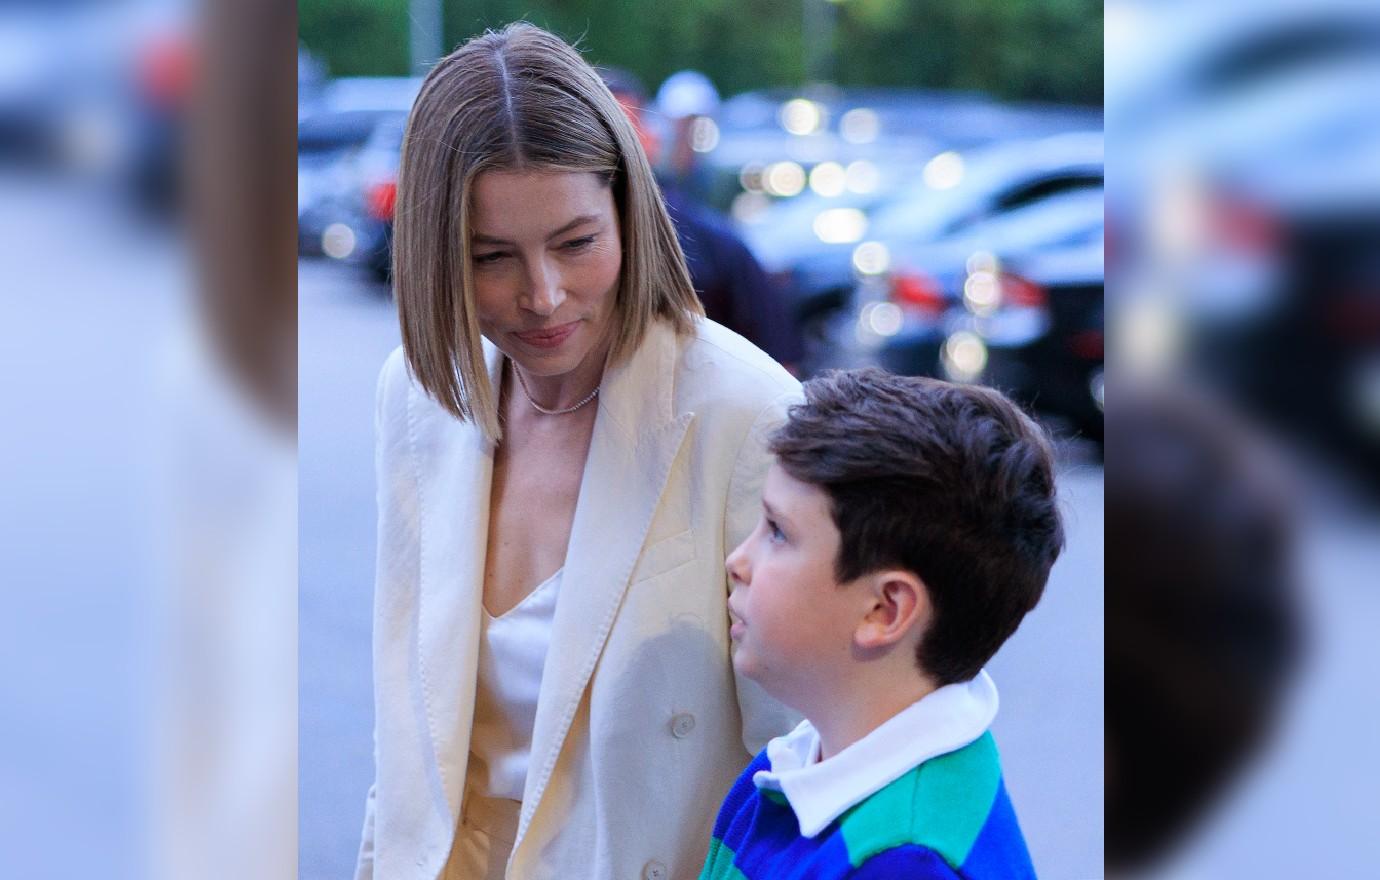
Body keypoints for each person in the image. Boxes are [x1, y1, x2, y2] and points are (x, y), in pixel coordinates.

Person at [354, 22, 800, 880]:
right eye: (491, 257)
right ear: (433, 254)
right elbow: (407, 743)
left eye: (576, 242)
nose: (543, 294)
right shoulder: (417, 395)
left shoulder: (750, 415)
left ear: (631, 214)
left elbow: (796, 768)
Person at [701, 369, 1064, 879]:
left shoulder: (907, 862)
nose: (739, 560)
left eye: (778, 532)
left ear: (884, 611)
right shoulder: (789, 767)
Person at [603, 68, 803, 370]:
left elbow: (780, 364)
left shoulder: (713, 245)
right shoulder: (542, 257)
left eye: (623, 132)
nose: (610, 150)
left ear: (651, 138)